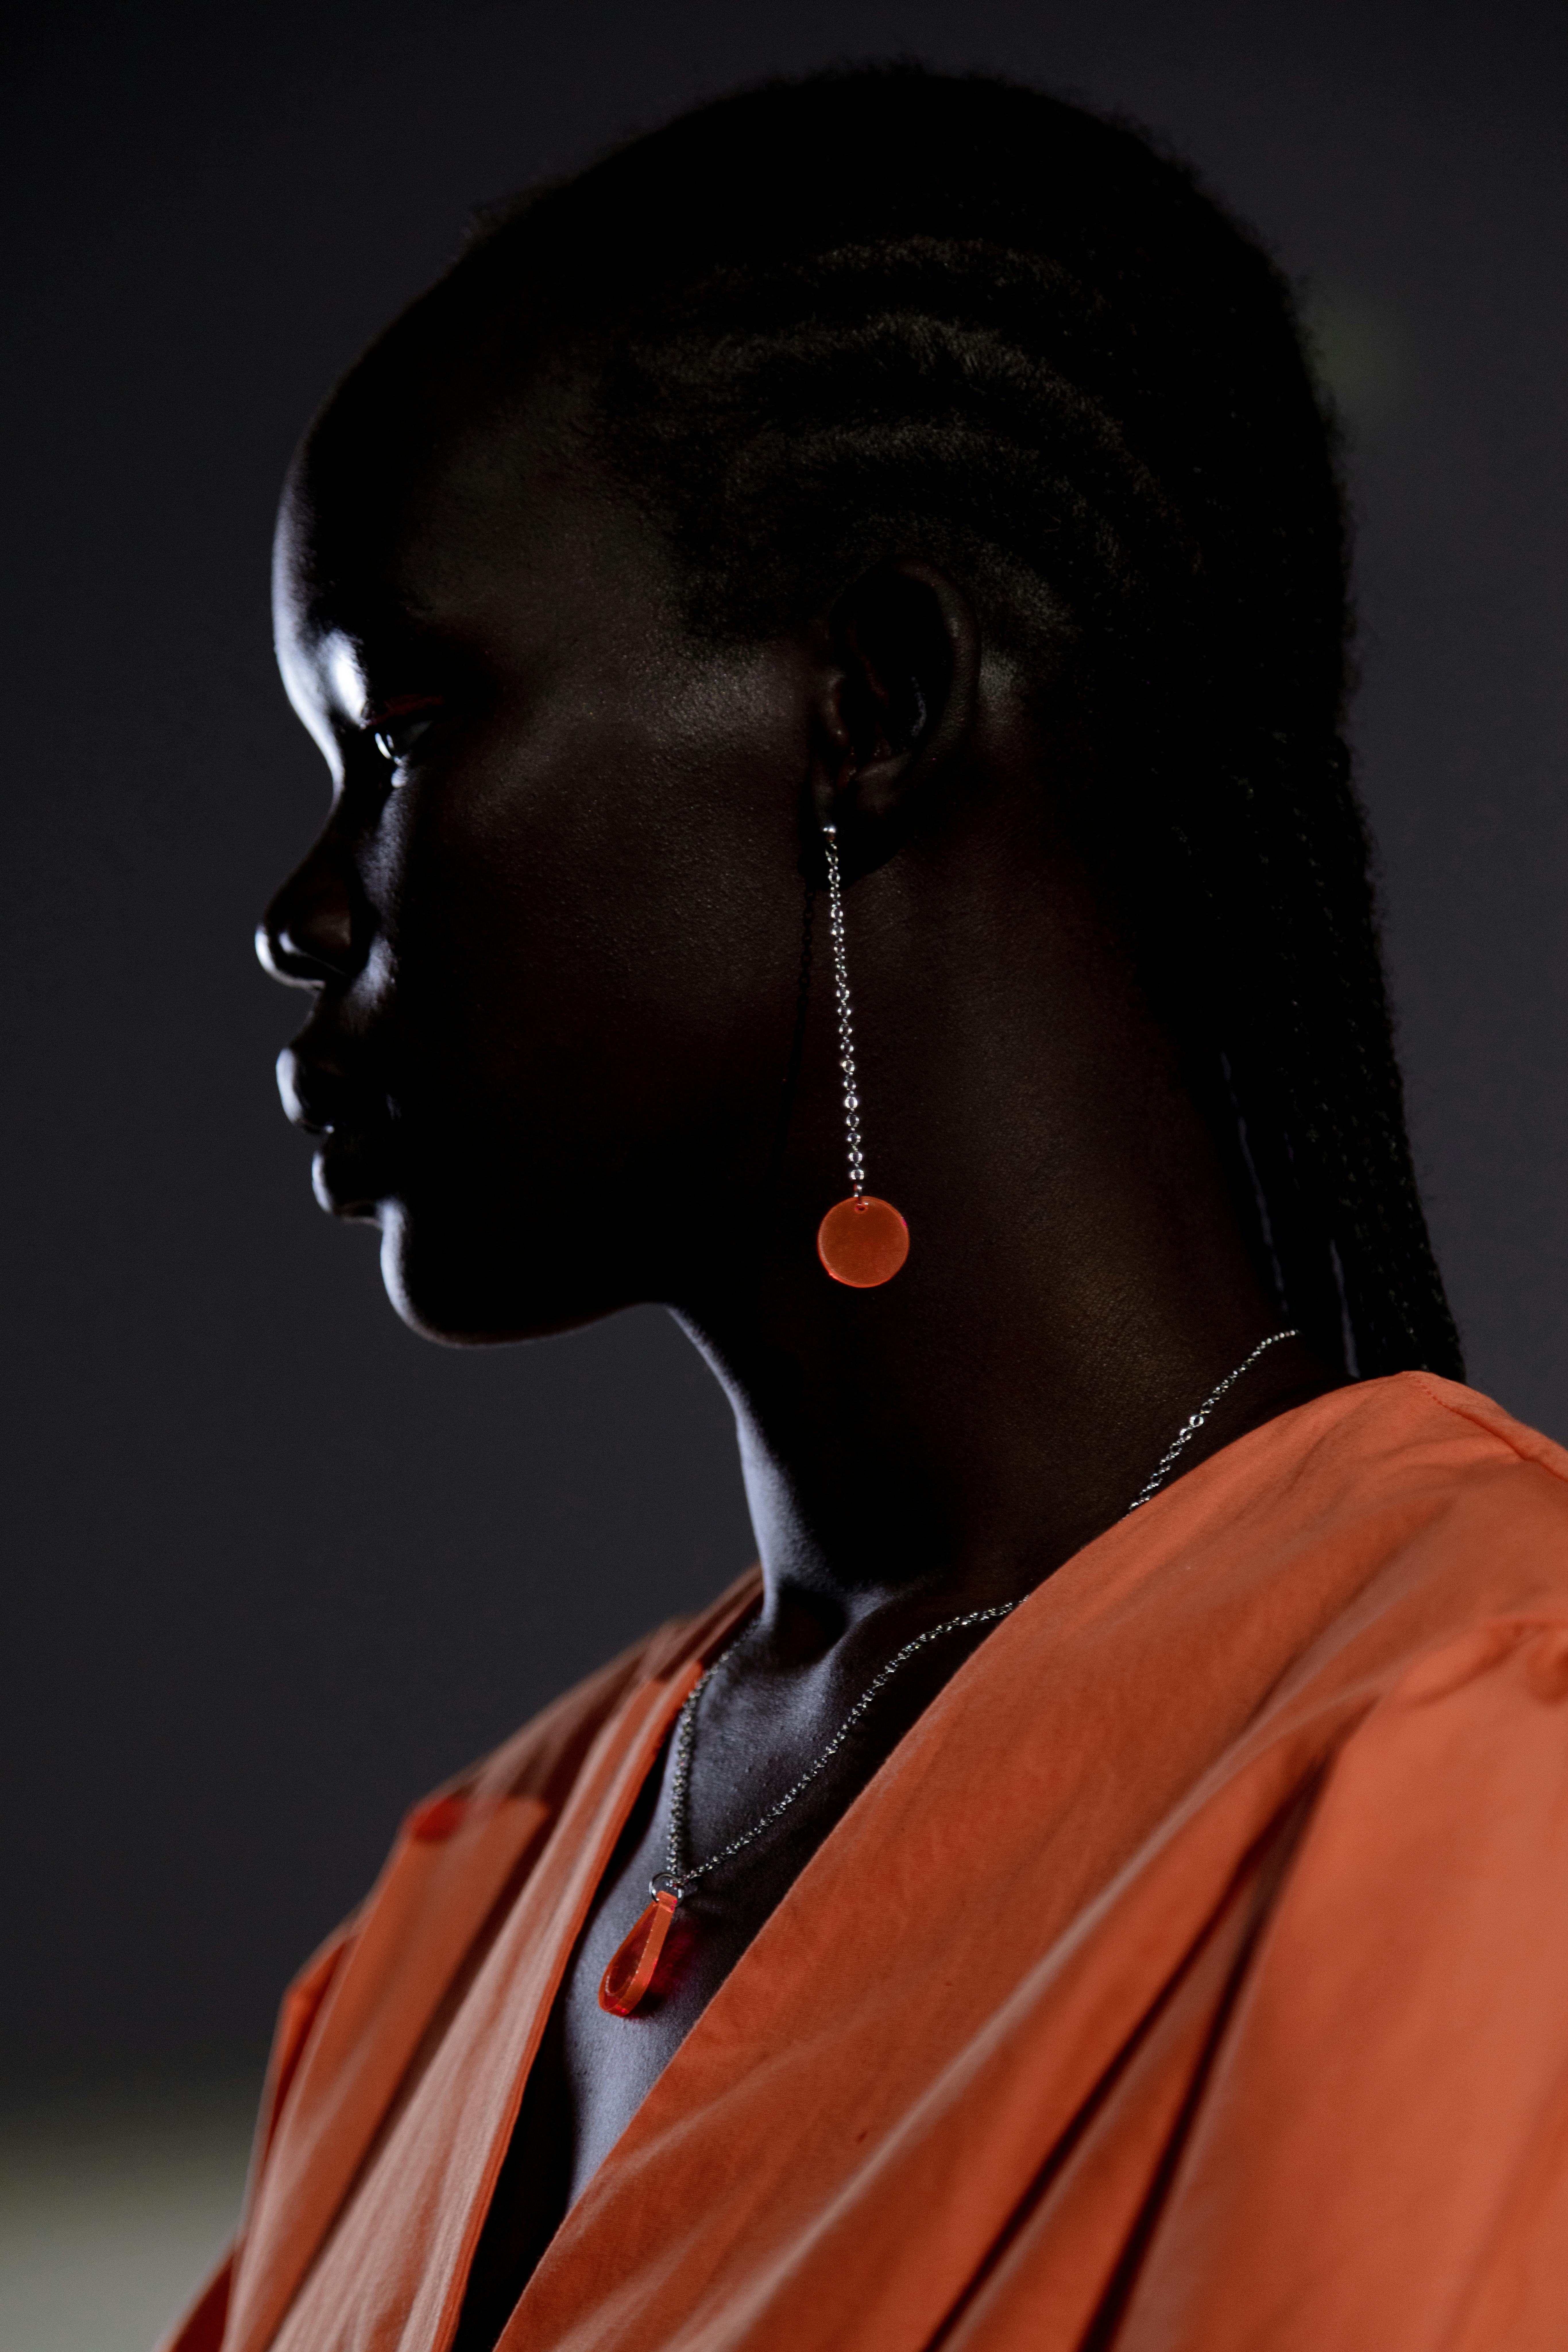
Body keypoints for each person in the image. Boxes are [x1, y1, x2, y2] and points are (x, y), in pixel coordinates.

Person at [167, 64, 1568, 2352]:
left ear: (871, 706)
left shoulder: (1463, 1750)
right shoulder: (463, 1909)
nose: (302, 913)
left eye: (404, 732)